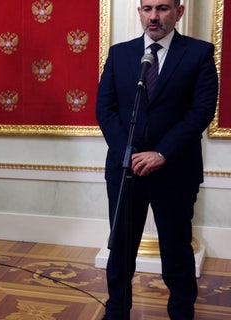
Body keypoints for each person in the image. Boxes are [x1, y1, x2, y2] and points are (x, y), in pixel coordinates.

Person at [96, 0, 218, 319]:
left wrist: (161, 153)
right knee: (121, 250)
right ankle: (116, 312)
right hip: (126, 170)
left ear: (179, 13)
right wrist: (130, 153)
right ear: (139, 12)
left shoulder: (199, 53)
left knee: (176, 250)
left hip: (175, 171)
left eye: (162, 8)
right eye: (147, 8)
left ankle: (181, 312)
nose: (153, 16)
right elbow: (105, 110)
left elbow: (200, 111)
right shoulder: (120, 54)